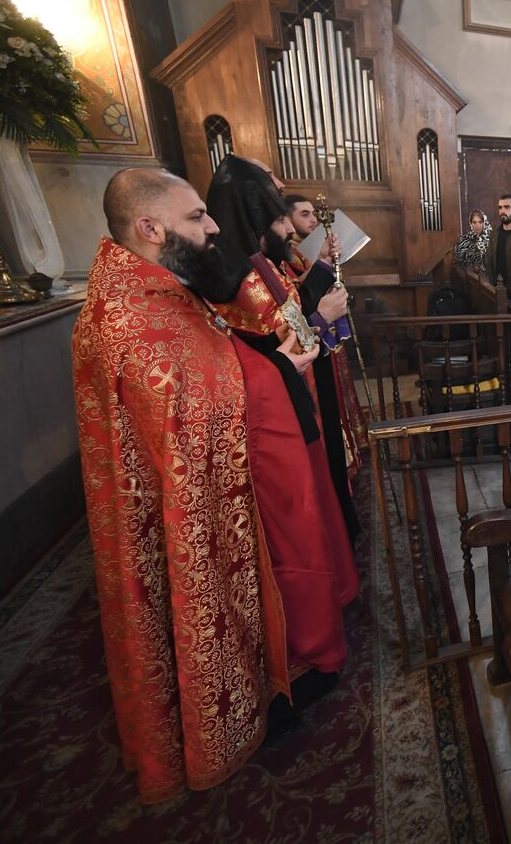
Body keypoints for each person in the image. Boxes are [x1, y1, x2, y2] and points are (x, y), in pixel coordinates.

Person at [73, 168, 290, 802]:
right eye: (197, 216)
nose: (214, 225)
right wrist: (278, 377)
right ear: (150, 228)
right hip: (180, 526)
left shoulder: (158, 291)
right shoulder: (133, 322)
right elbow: (197, 418)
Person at [205, 155, 359, 685]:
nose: (285, 229)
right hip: (277, 414)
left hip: (298, 402)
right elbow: (292, 344)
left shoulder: (263, 264)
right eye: (275, 222)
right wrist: (325, 317)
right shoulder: (245, 279)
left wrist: (317, 315)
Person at [280, 194, 364, 543]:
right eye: (303, 214)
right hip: (302, 360)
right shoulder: (286, 261)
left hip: (317, 346)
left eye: (313, 214)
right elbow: (298, 306)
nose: (311, 220)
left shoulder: (296, 256)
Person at [485, 193, 511, 290]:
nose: (502, 211)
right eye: (500, 207)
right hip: (494, 290)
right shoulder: (494, 234)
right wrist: (492, 287)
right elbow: (489, 261)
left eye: (507, 207)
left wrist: (508, 290)